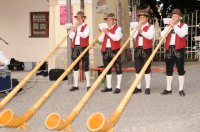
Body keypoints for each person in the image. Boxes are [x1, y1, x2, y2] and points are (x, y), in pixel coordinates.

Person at [161, 9, 188, 97]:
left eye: (175, 16)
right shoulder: (168, 26)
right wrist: (169, 27)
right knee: (168, 69)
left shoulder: (184, 26)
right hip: (169, 49)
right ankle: (168, 89)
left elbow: (181, 34)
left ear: (180, 17)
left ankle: (181, 89)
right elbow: (162, 35)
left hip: (179, 49)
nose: (173, 17)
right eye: (172, 16)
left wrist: (174, 26)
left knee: (180, 69)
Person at [98, 13, 123, 94]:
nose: (108, 22)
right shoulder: (105, 29)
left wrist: (108, 33)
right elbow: (100, 40)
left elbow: (116, 38)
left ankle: (118, 87)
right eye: (107, 20)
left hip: (114, 50)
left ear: (113, 21)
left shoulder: (118, 28)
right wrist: (103, 32)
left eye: (110, 20)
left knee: (118, 68)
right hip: (105, 50)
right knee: (107, 69)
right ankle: (109, 87)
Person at [132, 10, 155, 95]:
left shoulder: (151, 27)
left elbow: (150, 36)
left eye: (143, 17)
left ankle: (148, 87)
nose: (141, 19)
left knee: (147, 69)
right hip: (138, 48)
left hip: (146, 49)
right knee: (137, 69)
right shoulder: (137, 26)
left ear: (146, 18)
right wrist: (136, 29)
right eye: (140, 17)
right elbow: (133, 36)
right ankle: (138, 87)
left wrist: (141, 31)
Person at [68, 11, 90, 91]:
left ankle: (88, 85)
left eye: (80, 18)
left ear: (83, 18)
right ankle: (76, 85)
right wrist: (74, 29)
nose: (78, 20)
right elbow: (71, 36)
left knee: (85, 65)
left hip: (83, 47)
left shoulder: (86, 26)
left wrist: (77, 30)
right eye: (77, 18)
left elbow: (85, 35)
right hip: (75, 47)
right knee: (75, 66)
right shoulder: (75, 26)